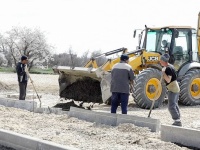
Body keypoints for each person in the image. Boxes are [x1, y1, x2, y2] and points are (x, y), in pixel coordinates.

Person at [160, 53, 182, 126]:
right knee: (175, 104)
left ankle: (177, 121)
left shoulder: (168, 68)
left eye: (160, 60)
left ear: (163, 61)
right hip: (175, 87)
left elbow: (168, 80)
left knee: (171, 106)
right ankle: (178, 119)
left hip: (173, 89)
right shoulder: (171, 66)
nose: (160, 61)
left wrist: (163, 73)